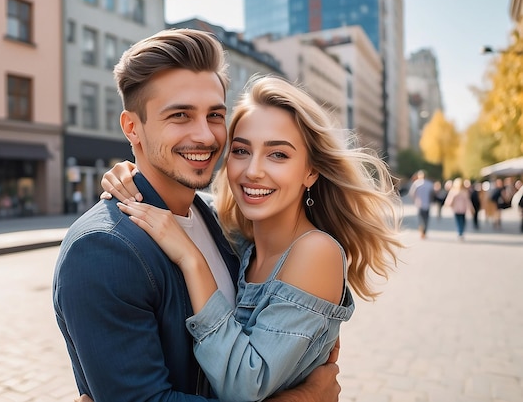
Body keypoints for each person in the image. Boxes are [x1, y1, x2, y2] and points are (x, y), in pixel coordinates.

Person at [53, 29, 341, 402]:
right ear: (131, 127)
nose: (205, 136)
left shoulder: (219, 221)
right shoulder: (104, 248)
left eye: (215, 115)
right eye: (180, 115)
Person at [101, 75, 403, 401]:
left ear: (310, 171)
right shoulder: (237, 236)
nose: (253, 171)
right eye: (242, 150)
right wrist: (132, 172)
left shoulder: (315, 252)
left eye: (278, 155)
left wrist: (192, 260)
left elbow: (245, 385)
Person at [408, 170, 434, 239]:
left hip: (419, 204)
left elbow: (411, 193)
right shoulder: (430, 184)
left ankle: (421, 232)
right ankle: (424, 232)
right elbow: (433, 194)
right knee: (426, 219)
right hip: (427, 204)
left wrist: (414, 200)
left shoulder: (416, 184)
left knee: (421, 219)